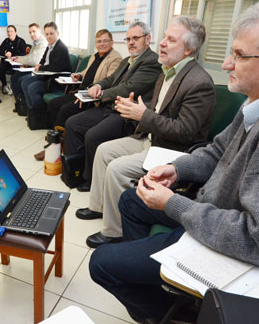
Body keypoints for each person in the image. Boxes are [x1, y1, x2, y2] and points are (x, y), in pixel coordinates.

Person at [89, 0, 259, 324]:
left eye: (238, 55)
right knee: (131, 200)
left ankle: (174, 313)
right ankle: (166, 284)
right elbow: (217, 150)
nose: (225, 64)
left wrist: (175, 205)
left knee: (102, 264)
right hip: (217, 212)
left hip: (245, 251)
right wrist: (178, 169)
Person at [78, 16, 216, 248]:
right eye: (164, 37)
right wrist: (137, 112)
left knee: (117, 168)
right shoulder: (167, 72)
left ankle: (114, 232)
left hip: (170, 150)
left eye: (170, 39)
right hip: (150, 138)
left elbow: (185, 132)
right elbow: (155, 110)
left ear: (189, 49)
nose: (161, 43)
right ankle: (99, 207)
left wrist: (142, 115)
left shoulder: (199, 83)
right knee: (103, 150)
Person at [63, 21, 162, 191]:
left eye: (136, 38)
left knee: (93, 136)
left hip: (125, 113)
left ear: (147, 39)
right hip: (110, 107)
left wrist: (102, 94)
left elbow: (129, 88)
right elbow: (111, 79)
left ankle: (91, 179)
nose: (131, 42)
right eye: (128, 38)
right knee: (73, 123)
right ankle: (74, 171)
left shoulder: (152, 61)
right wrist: (98, 86)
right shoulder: (126, 60)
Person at [33, 29, 122, 161]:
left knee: (65, 109)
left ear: (112, 42)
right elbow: (87, 71)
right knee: (54, 104)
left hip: (92, 97)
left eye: (105, 41)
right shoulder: (95, 56)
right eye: (98, 41)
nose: (101, 44)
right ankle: (55, 140)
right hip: (80, 91)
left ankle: (55, 147)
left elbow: (109, 81)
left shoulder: (115, 58)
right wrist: (79, 74)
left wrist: (89, 93)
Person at [20, 22, 71, 110]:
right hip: (46, 76)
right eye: (47, 34)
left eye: (51, 33)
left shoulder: (61, 48)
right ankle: (31, 112)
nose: (49, 36)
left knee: (32, 88)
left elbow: (54, 68)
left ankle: (39, 115)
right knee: (24, 82)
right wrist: (40, 64)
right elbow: (43, 59)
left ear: (57, 33)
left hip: (55, 81)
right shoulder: (49, 45)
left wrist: (40, 68)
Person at [10, 23, 47, 114]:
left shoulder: (43, 43)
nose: (32, 34)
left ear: (40, 31)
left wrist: (19, 59)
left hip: (40, 71)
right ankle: (20, 104)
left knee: (21, 80)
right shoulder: (35, 42)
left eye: (34, 31)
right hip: (33, 68)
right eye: (30, 32)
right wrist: (19, 58)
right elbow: (30, 56)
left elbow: (34, 60)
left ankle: (25, 106)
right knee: (14, 77)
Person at [0, 25, 26, 95]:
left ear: (15, 32)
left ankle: (15, 88)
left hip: (17, 63)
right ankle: (5, 86)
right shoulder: (6, 41)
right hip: (8, 63)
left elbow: (23, 53)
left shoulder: (21, 41)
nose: (9, 33)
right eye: (8, 32)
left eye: (11, 31)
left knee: (15, 72)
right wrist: (5, 54)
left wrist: (13, 55)